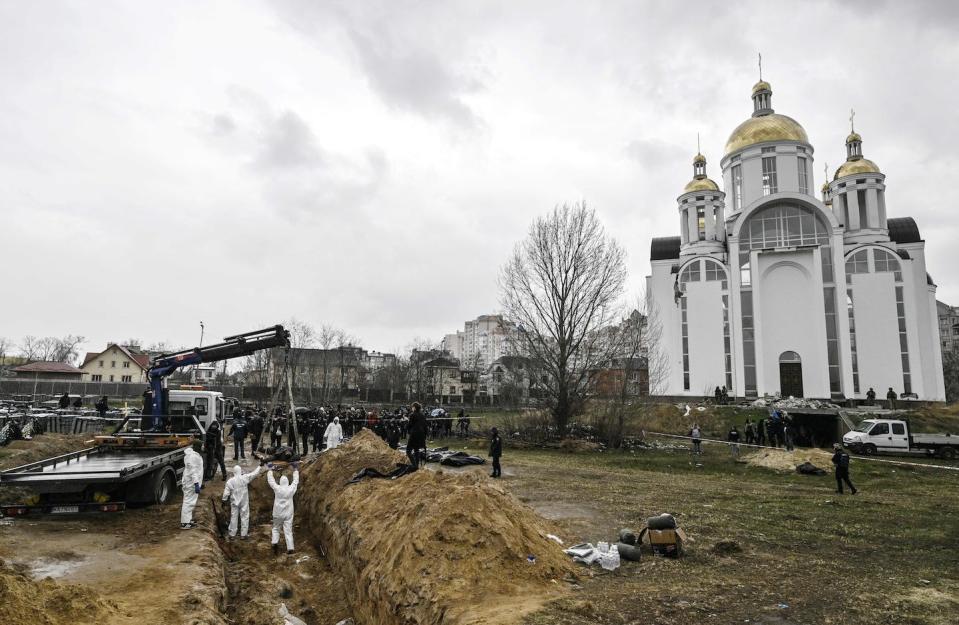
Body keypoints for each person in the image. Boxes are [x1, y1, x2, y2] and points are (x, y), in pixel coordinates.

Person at [221, 462, 264, 540]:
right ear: (240, 471)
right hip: (244, 502)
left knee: (234, 517)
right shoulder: (244, 478)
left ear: (234, 472)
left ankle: (232, 534)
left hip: (234, 502)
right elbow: (254, 474)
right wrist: (260, 466)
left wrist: (224, 500)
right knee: (244, 516)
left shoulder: (230, 481)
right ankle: (243, 535)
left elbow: (226, 492)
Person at [267, 465, 300, 555]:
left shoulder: (278, 489)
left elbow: (271, 481)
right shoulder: (291, 489)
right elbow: (295, 482)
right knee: (288, 530)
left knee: (276, 528)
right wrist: (296, 470)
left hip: (277, 513)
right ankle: (290, 548)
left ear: (280, 482)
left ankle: (274, 542)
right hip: (288, 514)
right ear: (287, 482)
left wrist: (270, 470)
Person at [180, 440, 205, 530]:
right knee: (188, 502)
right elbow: (193, 471)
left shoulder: (194, 455)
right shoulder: (193, 457)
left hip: (191, 482)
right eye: (202, 445)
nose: (203, 447)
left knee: (190, 502)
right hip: (191, 483)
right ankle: (185, 523)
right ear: (198, 446)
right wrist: (196, 483)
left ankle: (188, 520)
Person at [406, 402, 427, 469]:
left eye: (412, 407)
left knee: (408, 451)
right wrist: (425, 436)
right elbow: (425, 426)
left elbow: (409, 425)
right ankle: (416, 466)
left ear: (414, 407)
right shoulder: (422, 415)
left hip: (414, 434)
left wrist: (406, 422)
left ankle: (414, 465)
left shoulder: (412, 415)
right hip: (421, 435)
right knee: (416, 450)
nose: (412, 408)